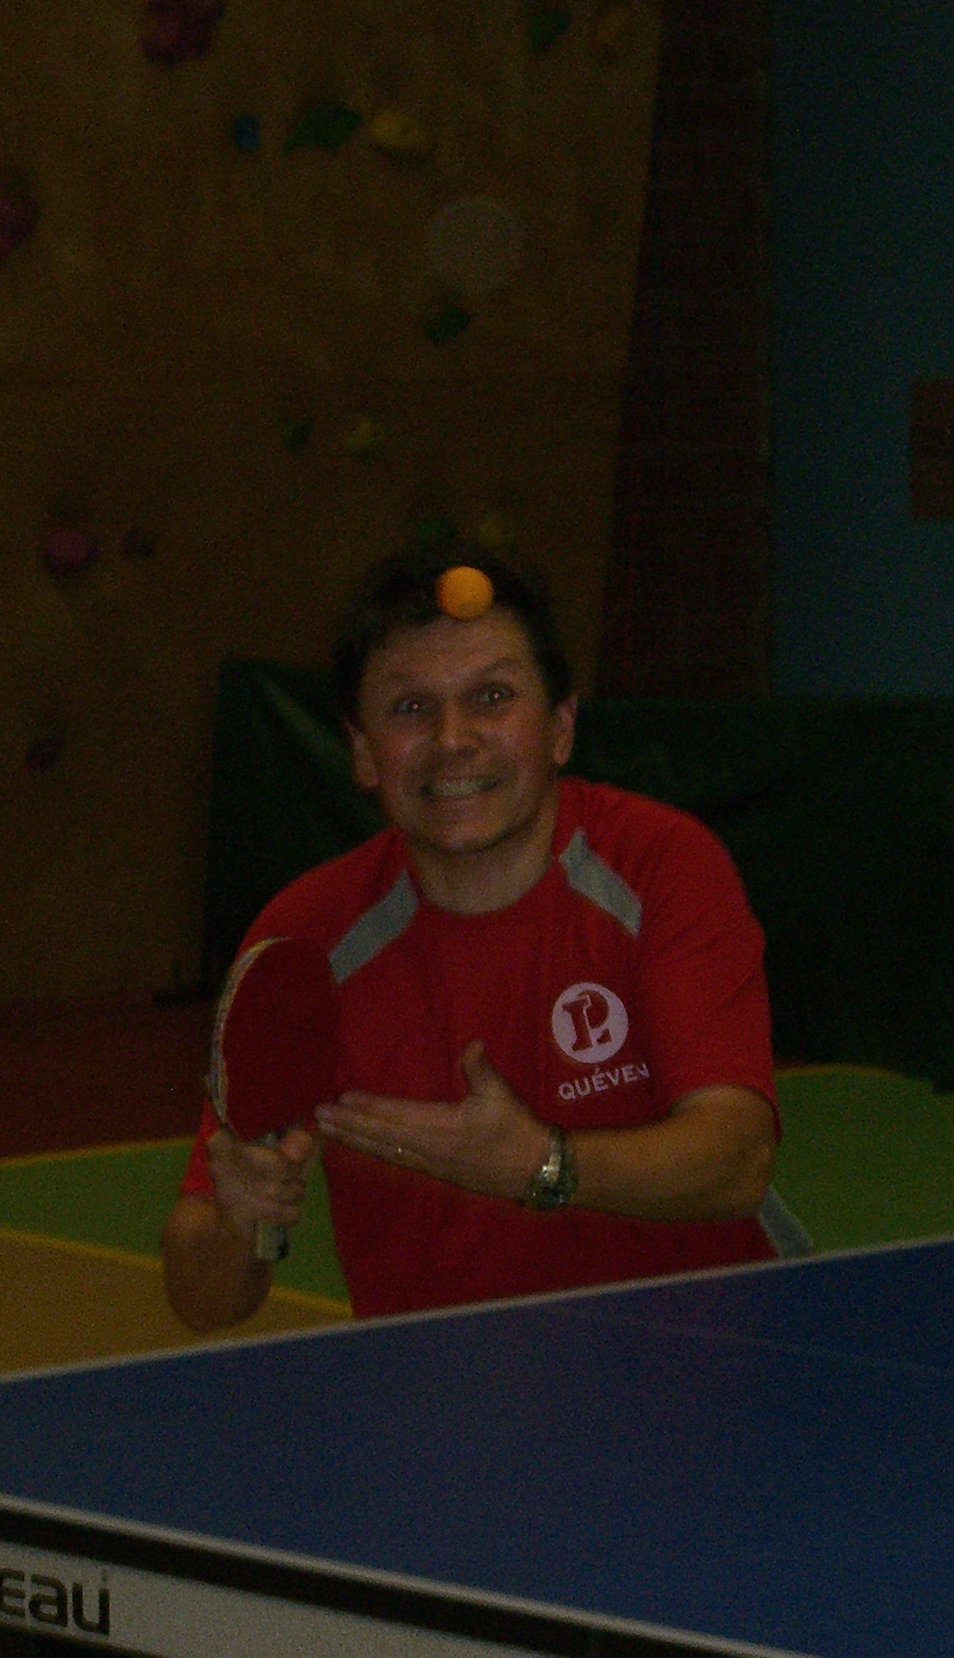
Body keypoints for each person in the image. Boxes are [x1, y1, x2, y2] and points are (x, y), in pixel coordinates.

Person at [162, 544, 781, 1325]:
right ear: (363, 752)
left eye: (492, 696)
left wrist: (541, 1165)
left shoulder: (660, 865)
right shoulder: (305, 941)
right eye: (410, 708)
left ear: (560, 728)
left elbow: (737, 1160)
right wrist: (241, 1221)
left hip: (696, 1360)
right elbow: (203, 1302)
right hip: (438, 1387)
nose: (453, 738)